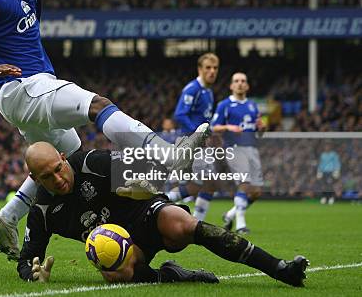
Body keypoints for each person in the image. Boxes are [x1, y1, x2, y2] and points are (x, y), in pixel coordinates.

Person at [0, 0, 210, 259]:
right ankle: (167, 154)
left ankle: (8, 217)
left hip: (31, 88)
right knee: (97, 105)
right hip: (19, 87)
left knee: (64, 157)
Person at [19, 142, 308, 287]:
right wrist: (34, 275)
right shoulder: (42, 211)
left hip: (147, 214)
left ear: (63, 158)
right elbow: (25, 259)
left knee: (182, 223)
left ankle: (280, 269)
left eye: (59, 169)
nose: (58, 179)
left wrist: (141, 187)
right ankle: (169, 275)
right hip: (125, 247)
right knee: (112, 271)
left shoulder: (93, 162)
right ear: (34, 177)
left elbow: (149, 176)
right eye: (47, 177)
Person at [211, 72, 266, 234]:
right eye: (236, 81)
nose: (240, 83)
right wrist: (228, 127)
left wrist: (262, 128)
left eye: (243, 81)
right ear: (231, 86)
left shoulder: (252, 105)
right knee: (244, 184)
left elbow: (259, 131)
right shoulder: (224, 105)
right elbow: (214, 127)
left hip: (252, 149)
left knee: (256, 192)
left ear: (247, 85)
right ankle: (241, 224)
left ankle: (230, 214)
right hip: (234, 148)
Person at [168, 53, 219, 220]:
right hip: (192, 142)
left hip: (202, 144)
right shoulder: (193, 89)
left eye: (215, 68)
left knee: (207, 184)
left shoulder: (208, 92)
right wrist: (199, 134)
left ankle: (197, 220)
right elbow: (180, 114)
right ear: (200, 69)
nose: (212, 71)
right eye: (208, 68)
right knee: (199, 184)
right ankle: (160, 203)